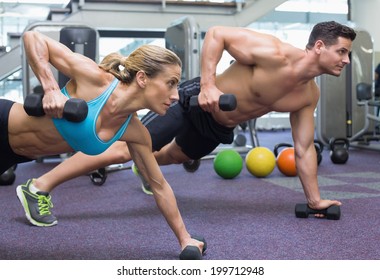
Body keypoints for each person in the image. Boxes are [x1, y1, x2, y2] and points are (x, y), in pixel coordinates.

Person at [18, 21, 355, 225]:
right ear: (320, 46)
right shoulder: (273, 53)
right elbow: (218, 34)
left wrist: (314, 200)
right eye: (342, 52)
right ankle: (39, 187)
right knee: (124, 148)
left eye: (348, 54)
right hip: (193, 101)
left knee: (175, 157)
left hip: (219, 127)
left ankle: (144, 168)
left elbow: (303, 148)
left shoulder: (308, 95)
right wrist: (209, 84)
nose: (346, 59)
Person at [2, 30, 205, 259]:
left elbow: (159, 185)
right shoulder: (95, 79)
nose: (176, 95)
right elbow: (33, 38)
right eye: (170, 83)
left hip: (13, 156)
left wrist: (184, 238)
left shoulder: (135, 132)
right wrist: (50, 89)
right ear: (142, 78)